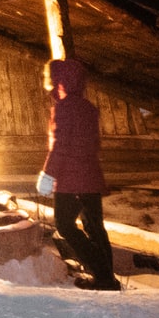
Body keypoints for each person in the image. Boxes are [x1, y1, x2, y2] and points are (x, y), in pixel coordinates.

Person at [40, 57, 119, 290]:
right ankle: (108, 278)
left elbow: (61, 145)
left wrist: (48, 174)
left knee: (65, 226)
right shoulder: (89, 108)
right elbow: (92, 144)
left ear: (59, 81)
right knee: (95, 227)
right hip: (91, 178)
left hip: (70, 180)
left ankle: (103, 276)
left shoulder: (63, 108)